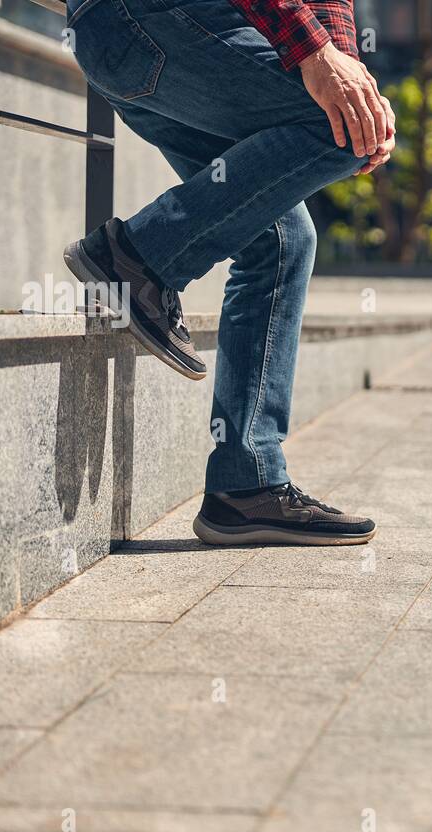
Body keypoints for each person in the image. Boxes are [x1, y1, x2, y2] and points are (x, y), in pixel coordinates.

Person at [62, 0, 390, 546]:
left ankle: (246, 485)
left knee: (282, 238)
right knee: (332, 123)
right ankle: (138, 257)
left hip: (132, 45)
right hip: (148, 22)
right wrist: (320, 60)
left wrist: (347, 75)